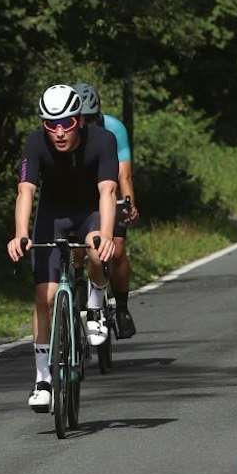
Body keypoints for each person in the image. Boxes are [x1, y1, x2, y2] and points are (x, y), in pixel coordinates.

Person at [7, 84, 118, 412]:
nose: (58, 132)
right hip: (53, 214)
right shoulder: (35, 142)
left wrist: (107, 235)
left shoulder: (103, 141)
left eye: (66, 123)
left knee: (97, 247)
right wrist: (19, 234)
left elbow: (108, 192)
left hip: (90, 211)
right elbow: (26, 191)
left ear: (80, 120)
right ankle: (42, 379)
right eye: (50, 124)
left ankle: (96, 303)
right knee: (45, 297)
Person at [72, 82, 138, 338]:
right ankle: (76, 287)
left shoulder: (113, 129)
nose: (86, 124)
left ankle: (121, 308)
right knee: (75, 252)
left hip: (109, 192)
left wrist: (129, 202)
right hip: (78, 196)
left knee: (117, 250)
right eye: (82, 119)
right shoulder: (65, 133)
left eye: (92, 118)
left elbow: (124, 175)